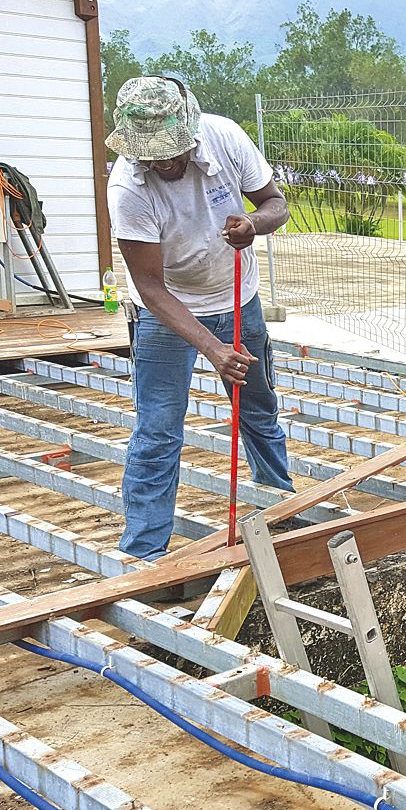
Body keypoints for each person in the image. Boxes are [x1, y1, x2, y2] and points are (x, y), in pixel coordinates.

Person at [105, 76, 294, 558]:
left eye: (171, 152)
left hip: (237, 298)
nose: (162, 163)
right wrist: (213, 349)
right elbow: (151, 286)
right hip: (166, 311)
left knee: (257, 408)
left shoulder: (225, 137)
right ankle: (144, 554)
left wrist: (254, 224)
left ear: (191, 132)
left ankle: (280, 512)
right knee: (158, 429)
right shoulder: (127, 187)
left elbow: (276, 204)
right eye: (151, 155)